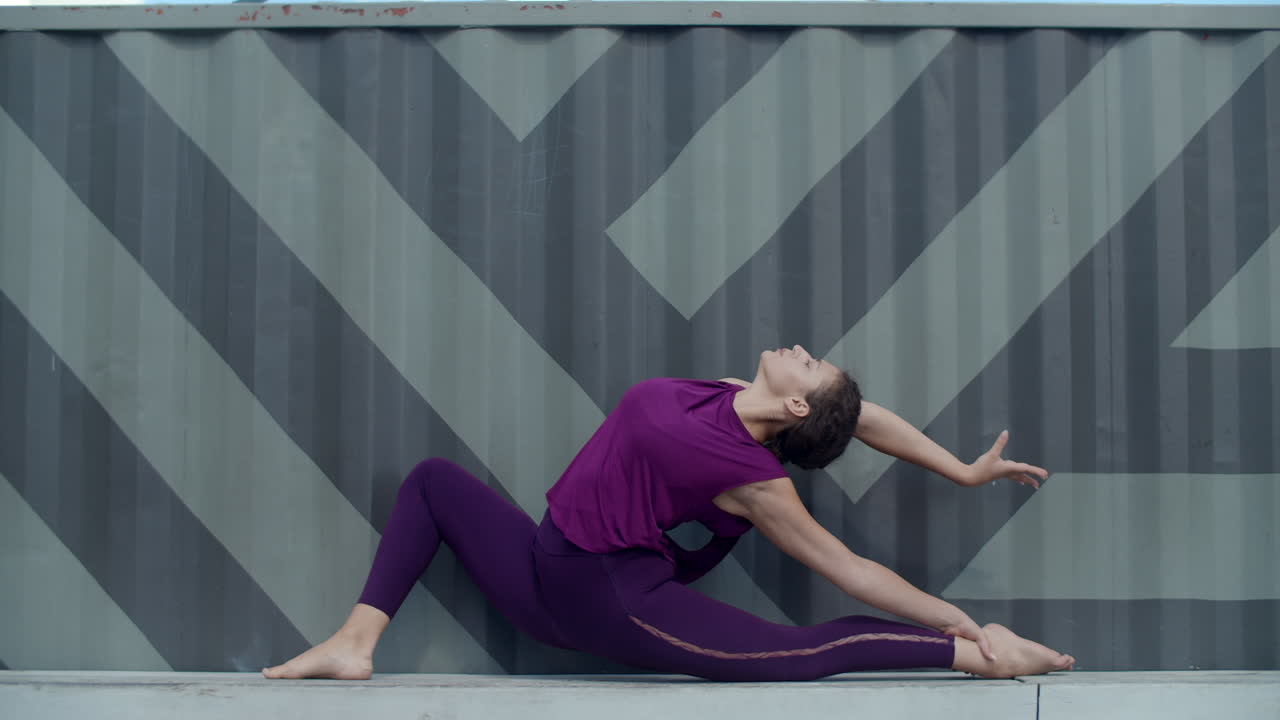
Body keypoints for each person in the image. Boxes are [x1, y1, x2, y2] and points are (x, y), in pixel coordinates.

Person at [263, 345, 1075, 682]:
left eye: (809, 363)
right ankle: (355, 643)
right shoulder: (737, 396)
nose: (799, 346)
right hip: (546, 569)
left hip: (614, 599)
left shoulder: (753, 475)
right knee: (435, 481)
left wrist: (961, 624)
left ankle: (977, 659)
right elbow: (858, 416)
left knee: (800, 652)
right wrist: (962, 471)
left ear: (794, 402)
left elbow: (848, 568)